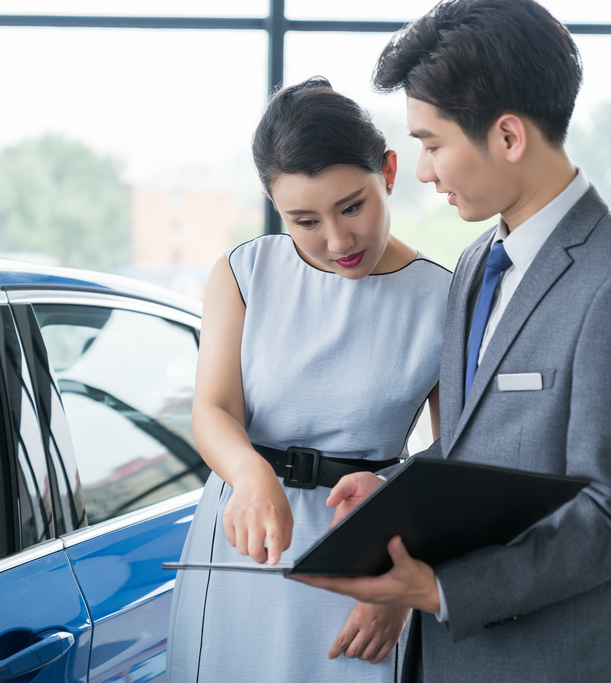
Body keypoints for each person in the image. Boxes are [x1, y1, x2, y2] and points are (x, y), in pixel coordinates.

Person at [292, 2, 611, 682]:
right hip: (441, 660)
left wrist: (442, 590)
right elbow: (470, 449)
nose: (423, 171)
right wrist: (392, 488)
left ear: (508, 136)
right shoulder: (478, 261)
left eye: (431, 143)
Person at [166, 77, 452, 681]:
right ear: (276, 208)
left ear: (390, 173)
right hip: (243, 532)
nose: (337, 240)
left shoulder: (443, 298)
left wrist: (398, 587)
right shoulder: (245, 271)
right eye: (304, 220)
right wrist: (249, 474)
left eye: (353, 206)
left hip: (366, 553)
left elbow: (454, 458)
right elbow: (213, 409)